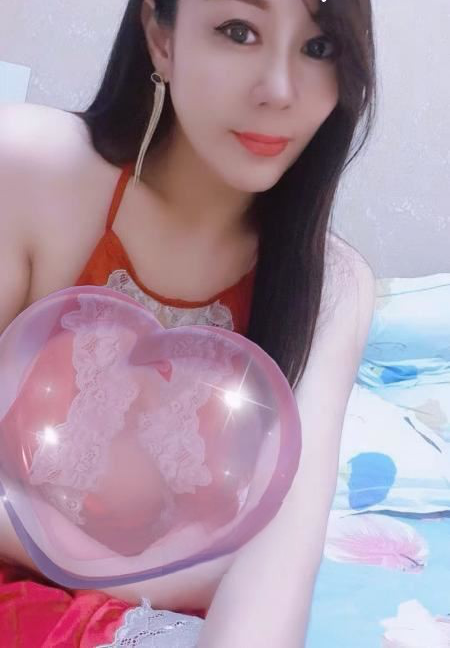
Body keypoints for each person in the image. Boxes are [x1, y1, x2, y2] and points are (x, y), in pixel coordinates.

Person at [0, 0, 377, 645]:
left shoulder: (333, 288)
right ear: (161, 38)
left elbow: (270, 587)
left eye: (319, 48)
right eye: (239, 31)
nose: (279, 90)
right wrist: (166, 575)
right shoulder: (30, 168)